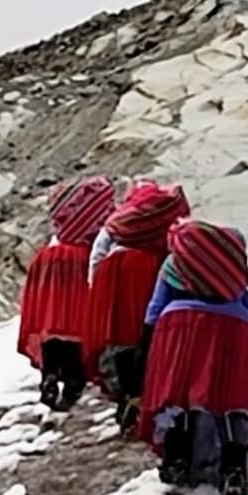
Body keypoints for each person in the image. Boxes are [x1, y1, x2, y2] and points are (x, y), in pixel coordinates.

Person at [134, 218, 248, 495]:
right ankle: (234, 468)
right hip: (232, 328)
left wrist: (147, 347)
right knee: (231, 402)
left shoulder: (173, 265)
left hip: (179, 326)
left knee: (177, 397)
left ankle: (176, 460)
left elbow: (154, 309)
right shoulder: (232, 272)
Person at [86, 179, 191, 427]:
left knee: (119, 334)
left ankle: (127, 395)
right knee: (146, 330)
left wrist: (96, 285)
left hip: (113, 274)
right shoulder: (165, 214)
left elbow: (98, 251)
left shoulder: (120, 219)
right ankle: (146, 392)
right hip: (148, 273)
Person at [17, 176, 115, 410]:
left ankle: (49, 374)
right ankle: (73, 382)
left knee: (51, 322)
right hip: (79, 259)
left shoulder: (64, 207)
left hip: (49, 259)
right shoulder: (99, 207)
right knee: (75, 324)